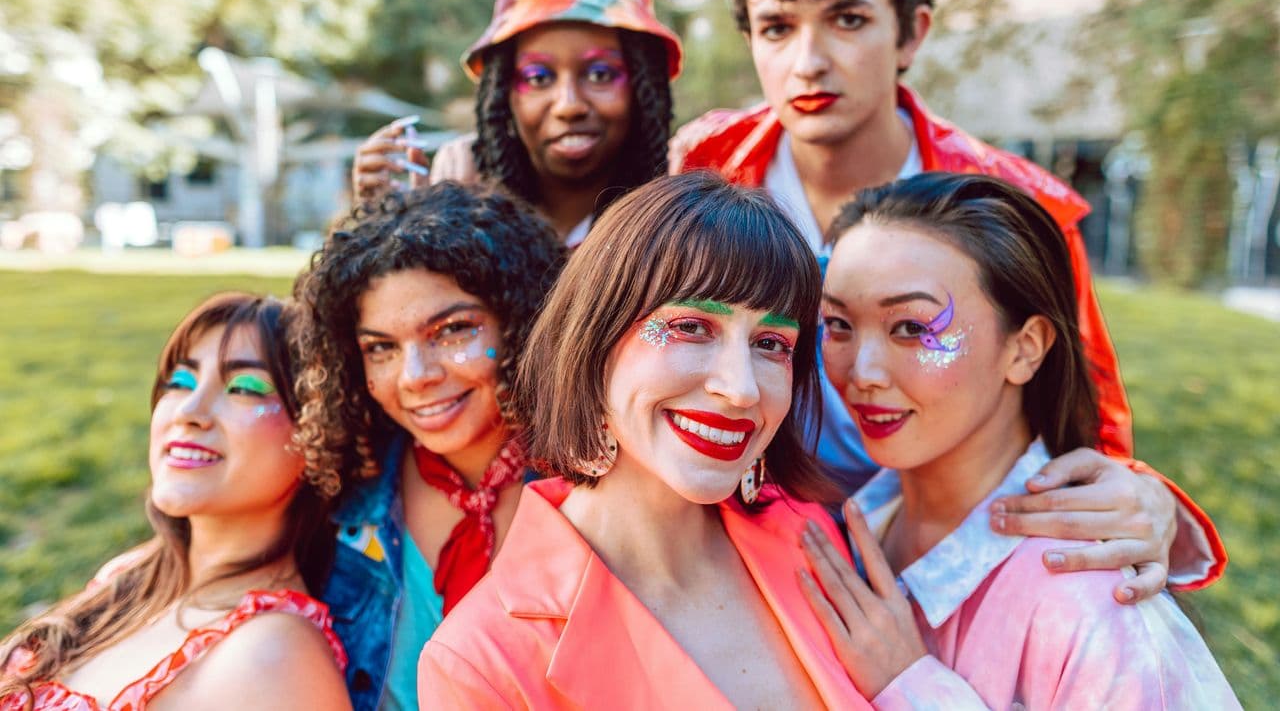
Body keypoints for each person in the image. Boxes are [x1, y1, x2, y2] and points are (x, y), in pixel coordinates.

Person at [672, 0, 1225, 594]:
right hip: (739, 534)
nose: (808, 61)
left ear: (912, 32)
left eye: (847, 19)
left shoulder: (1014, 202)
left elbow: (1085, 418)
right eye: (778, 27)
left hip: (941, 550)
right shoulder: (702, 166)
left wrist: (1141, 494)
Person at [420, 172, 876, 707]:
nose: (741, 389)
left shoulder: (809, 536)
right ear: (594, 344)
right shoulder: (481, 663)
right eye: (692, 327)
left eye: (771, 343)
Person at [799, 172, 1239, 707]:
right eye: (839, 324)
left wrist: (909, 686)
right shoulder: (845, 529)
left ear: (1025, 348)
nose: (862, 371)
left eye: (911, 328)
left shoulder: (1092, 603)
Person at [0, 293, 349, 711]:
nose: (189, 409)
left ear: (319, 438)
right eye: (180, 382)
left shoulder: (276, 660)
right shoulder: (132, 577)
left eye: (245, 388)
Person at [292, 182, 564, 710]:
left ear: (523, 320)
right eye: (381, 348)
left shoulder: (595, 490)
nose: (415, 376)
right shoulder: (347, 494)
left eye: (453, 330)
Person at [352, 0, 681, 246]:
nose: (568, 106)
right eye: (538, 78)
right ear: (502, 92)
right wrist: (392, 229)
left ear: (643, 86)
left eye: (600, 74)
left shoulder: (680, 215)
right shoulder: (465, 194)